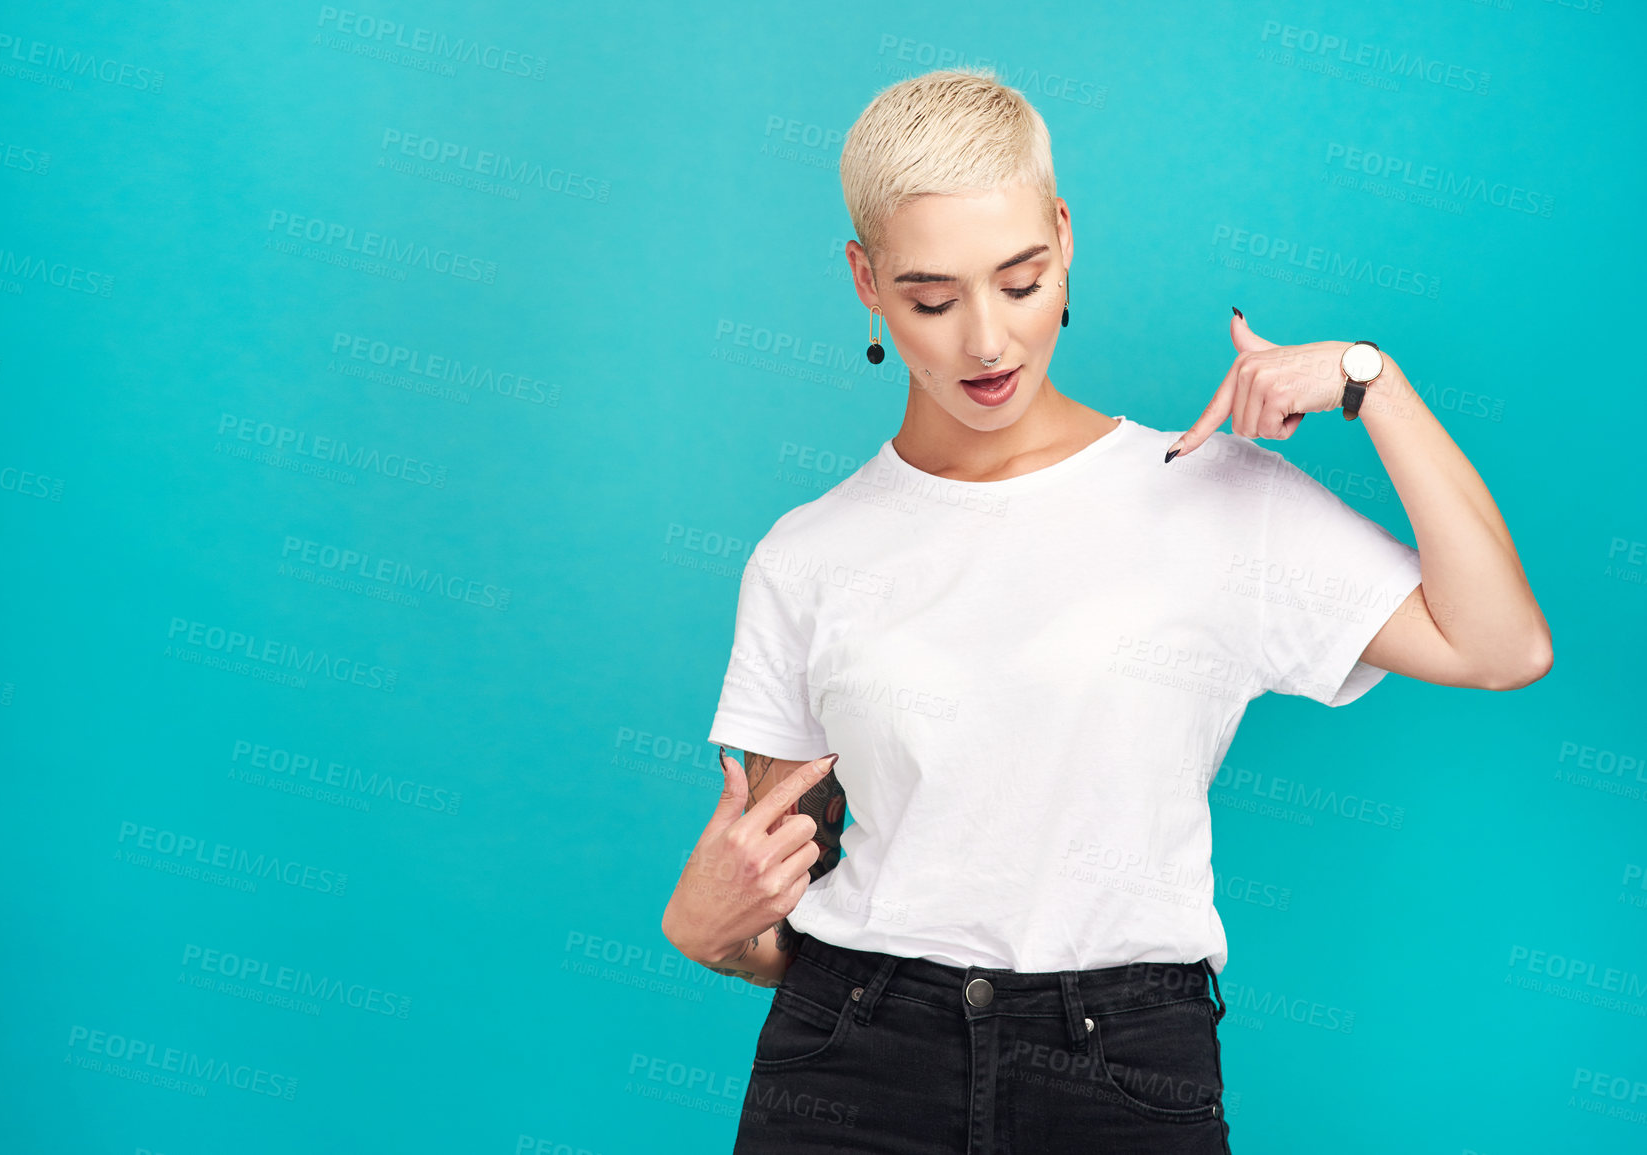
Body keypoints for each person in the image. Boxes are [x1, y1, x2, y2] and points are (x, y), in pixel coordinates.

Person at [660, 68, 1552, 1154]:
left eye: (1021, 281)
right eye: (934, 300)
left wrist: (1375, 386)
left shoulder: (1212, 495)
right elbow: (769, 893)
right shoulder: (806, 554)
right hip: (854, 1064)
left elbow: (1502, 645)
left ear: (1064, 237)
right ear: (867, 282)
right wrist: (704, 930)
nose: (987, 341)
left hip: (1121, 1072)